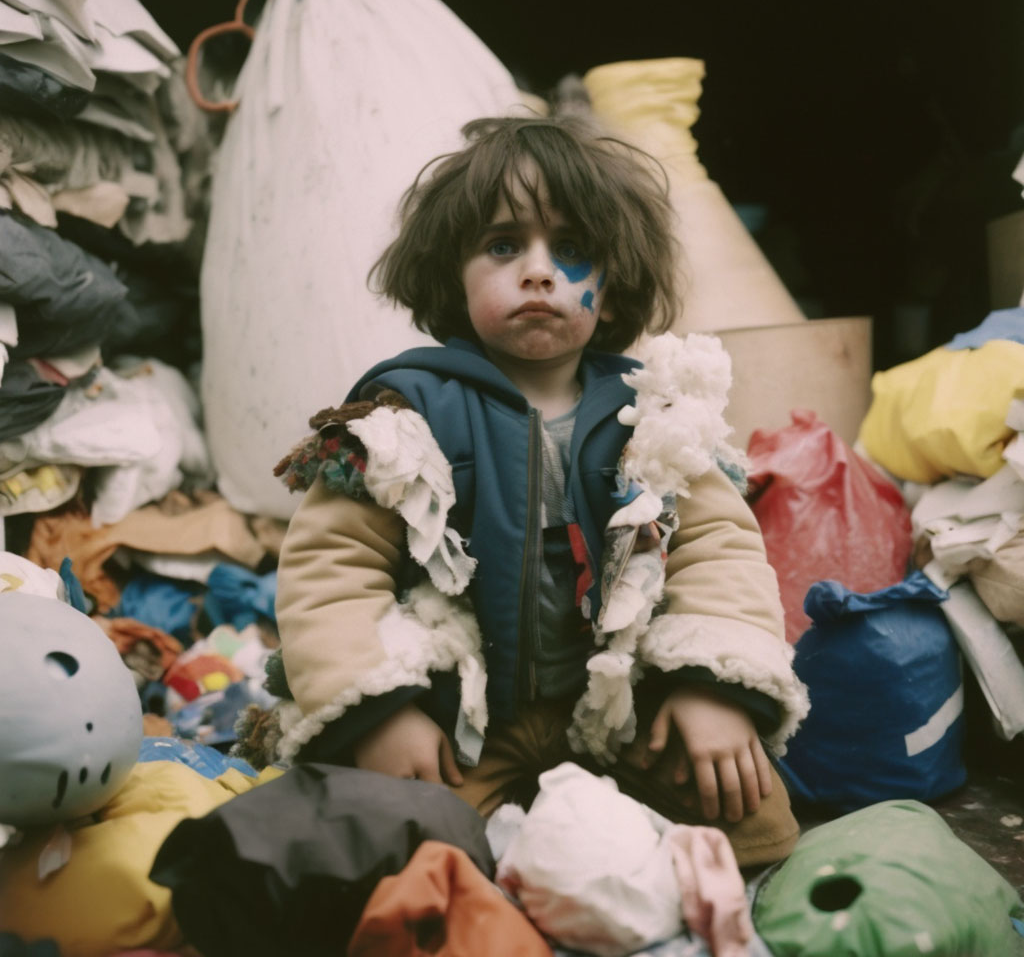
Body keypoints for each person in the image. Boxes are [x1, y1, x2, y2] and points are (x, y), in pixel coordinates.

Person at [269, 114, 809, 867]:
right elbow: (331, 573)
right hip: (459, 723)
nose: (538, 270)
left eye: (573, 251)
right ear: (453, 281)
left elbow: (719, 554)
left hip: (617, 710)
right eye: (502, 246)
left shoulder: (656, 416)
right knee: (388, 850)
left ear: (613, 292)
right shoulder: (402, 415)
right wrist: (380, 711)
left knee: (757, 821)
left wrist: (710, 688)